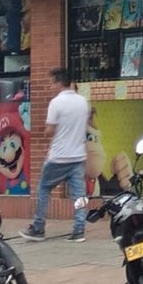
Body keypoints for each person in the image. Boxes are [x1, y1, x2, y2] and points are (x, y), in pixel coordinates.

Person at [26, 68, 91, 240]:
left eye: (51, 82)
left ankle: (38, 227)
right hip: (78, 156)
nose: (50, 86)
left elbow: (50, 130)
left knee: (44, 188)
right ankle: (79, 230)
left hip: (59, 156)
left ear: (58, 82)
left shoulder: (56, 103)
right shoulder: (83, 102)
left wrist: (45, 130)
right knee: (79, 195)